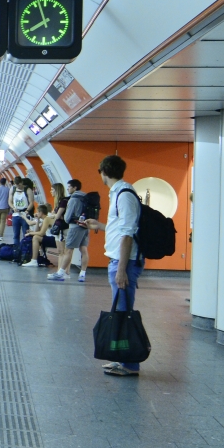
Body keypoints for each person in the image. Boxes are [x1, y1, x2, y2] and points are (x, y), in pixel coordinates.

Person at [85, 155, 143, 376]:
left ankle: (130, 364)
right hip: (119, 261)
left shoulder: (125, 195)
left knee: (124, 312)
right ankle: (121, 359)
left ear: (103, 172)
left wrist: (121, 270)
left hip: (124, 263)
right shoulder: (118, 193)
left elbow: (128, 234)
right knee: (120, 312)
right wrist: (99, 225)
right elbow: (119, 228)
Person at [50, 179, 91, 283]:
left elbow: (67, 217)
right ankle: (82, 274)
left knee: (68, 250)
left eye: (69, 187)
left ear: (74, 188)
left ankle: (61, 272)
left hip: (74, 227)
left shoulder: (73, 199)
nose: (67, 189)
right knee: (84, 250)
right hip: (86, 226)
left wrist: (67, 219)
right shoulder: (86, 197)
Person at [10, 179, 32, 246]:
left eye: (19, 185)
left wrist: (27, 210)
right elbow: (9, 201)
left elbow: (31, 202)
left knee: (26, 233)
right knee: (16, 234)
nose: (18, 186)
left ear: (22, 182)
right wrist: (13, 208)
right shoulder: (13, 189)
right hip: (15, 214)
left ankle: (25, 250)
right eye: (17, 185)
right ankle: (16, 249)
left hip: (25, 215)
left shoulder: (28, 190)